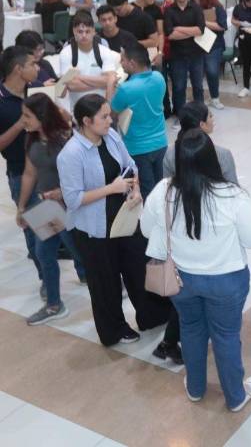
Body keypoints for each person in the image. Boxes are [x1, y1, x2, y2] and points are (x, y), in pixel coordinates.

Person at [141, 128, 251, 410]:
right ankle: (235, 396)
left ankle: (195, 388)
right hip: (226, 281)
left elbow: (146, 230)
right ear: (212, 158)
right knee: (226, 336)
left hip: (181, 280)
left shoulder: (163, 190)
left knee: (191, 330)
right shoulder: (232, 195)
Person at [57, 94, 170, 346]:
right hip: (94, 229)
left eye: (110, 115)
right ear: (86, 121)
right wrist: (112, 188)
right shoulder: (71, 154)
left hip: (125, 217)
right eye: (104, 117)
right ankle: (114, 329)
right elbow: (73, 199)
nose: (111, 120)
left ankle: (153, 314)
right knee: (105, 282)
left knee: (139, 267)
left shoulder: (112, 137)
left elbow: (131, 166)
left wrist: (135, 190)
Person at [16, 93, 87, 324]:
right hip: (48, 208)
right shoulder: (32, 140)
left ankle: (108, 283)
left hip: (69, 208)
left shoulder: (66, 139)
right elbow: (30, 173)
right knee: (44, 253)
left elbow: (84, 174)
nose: (23, 120)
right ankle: (54, 305)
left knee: (80, 252)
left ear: (41, 116)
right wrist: (21, 207)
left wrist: (62, 192)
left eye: (27, 116)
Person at [0, 46, 46, 294]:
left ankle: (82, 273)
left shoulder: (36, 90)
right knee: (35, 231)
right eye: (32, 64)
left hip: (49, 168)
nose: (37, 68)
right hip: (20, 173)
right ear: (19, 69)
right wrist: (20, 124)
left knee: (58, 227)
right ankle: (46, 281)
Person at [110, 42, 167, 199]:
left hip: (138, 147)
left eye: (123, 60)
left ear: (132, 63)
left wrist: (110, 87)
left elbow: (111, 113)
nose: (121, 63)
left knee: (147, 192)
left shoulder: (126, 88)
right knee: (161, 186)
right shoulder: (159, 77)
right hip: (160, 141)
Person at [163, 102, 237, 182]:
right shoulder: (223, 154)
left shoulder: (169, 154)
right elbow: (232, 186)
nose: (213, 119)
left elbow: (167, 184)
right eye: (210, 116)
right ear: (202, 124)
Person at [164, 0, 205, 123]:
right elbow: (170, 35)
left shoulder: (196, 8)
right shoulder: (169, 11)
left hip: (196, 53)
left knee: (198, 86)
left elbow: (200, 30)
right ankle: (180, 116)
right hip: (177, 55)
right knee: (179, 87)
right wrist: (191, 31)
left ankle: (201, 114)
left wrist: (179, 28)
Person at [58, 11, 117, 109]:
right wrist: (103, 82)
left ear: (94, 31)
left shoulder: (105, 51)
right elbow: (69, 86)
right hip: (77, 109)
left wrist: (79, 77)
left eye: (88, 31)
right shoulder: (66, 53)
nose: (84, 35)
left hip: (101, 107)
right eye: (80, 32)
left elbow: (110, 80)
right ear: (74, 31)